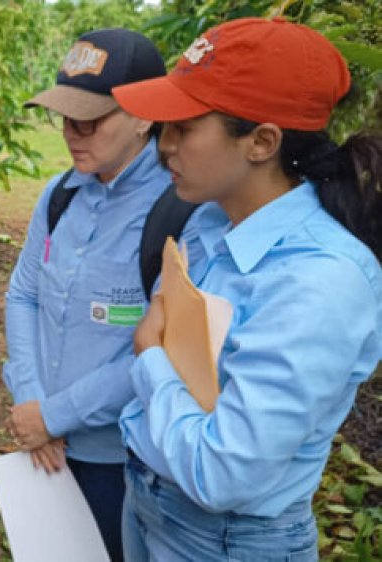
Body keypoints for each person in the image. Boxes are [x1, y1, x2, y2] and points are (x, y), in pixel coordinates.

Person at [110, 17, 382, 561]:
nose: (164, 146)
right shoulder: (211, 221)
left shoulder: (320, 280)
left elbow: (223, 473)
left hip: (224, 540)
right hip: (149, 497)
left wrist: (150, 357)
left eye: (184, 128)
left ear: (262, 141)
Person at [2, 28, 168, 561]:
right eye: (65, 118)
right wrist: (31, 402)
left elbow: (160, 351)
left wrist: (56, 416)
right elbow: (24, 296)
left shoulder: (178, 210)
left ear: (144, 115)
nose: (73, 134)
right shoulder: (58, 196)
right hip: (46, 447)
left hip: (124, 462)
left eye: (90, 120)